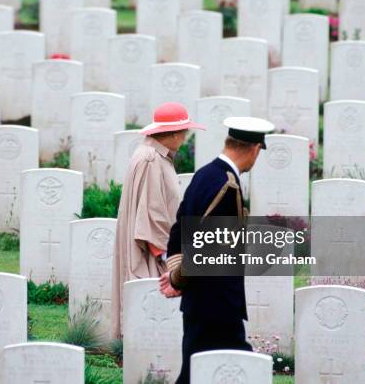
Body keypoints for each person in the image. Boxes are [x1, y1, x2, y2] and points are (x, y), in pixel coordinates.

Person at [159, 117, 275, 383]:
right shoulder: (227, 185)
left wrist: (177, 275)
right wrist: (178, 279)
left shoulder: (205, 174)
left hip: (201, 301)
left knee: (195, 372)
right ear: (255, 149)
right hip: (218, 303)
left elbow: (179, 228)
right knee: (239, 370)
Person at [110, 102, 206, 339]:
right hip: (154, 249)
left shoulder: (155, 155)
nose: (185, 136)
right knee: (152, 306)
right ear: (172, 134)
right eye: (183, 131)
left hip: (160, 244)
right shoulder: (151, 159)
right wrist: (169, 255)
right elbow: (152, 215)